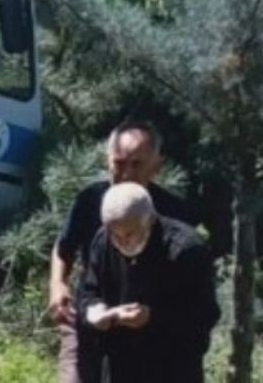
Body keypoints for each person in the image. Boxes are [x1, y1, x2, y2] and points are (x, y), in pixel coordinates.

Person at [49, 121, 199, 382]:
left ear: (156, 168)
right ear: (107, 161)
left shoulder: (177, 220)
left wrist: (154, 315)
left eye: (137, 165)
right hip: (91, 316)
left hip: (152, 334)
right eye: (118, 164)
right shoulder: (89, 200)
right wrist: (58, 285)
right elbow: (64, 247)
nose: (126, 173)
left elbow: (194, 302)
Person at [78, 182, 219, 382]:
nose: (121, 242)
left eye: (129, 234)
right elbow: (88, 292)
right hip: (121, 367)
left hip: (173, 368)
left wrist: (152, 317)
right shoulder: (103, 242)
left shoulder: (185, 250)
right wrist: (97, 312)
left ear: (150, 221)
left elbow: (206, 314)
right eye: (114, 235)